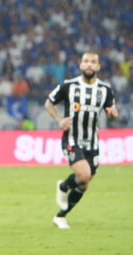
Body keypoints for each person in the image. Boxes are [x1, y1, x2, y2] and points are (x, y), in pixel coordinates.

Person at [45, 52, 118, 229]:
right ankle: (63, 187)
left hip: (92, 143)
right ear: (80, 65)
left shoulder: (105, 89)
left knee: (84, 184)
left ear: (98, 67)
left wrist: (112, 115)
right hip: (72, 138)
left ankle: (60, 216)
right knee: (83, 175)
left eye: (93, 62)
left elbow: (112, 113)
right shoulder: (69, 86)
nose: (89, 65)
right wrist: (59, 120)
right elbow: (49, 103)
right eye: (86, 61)